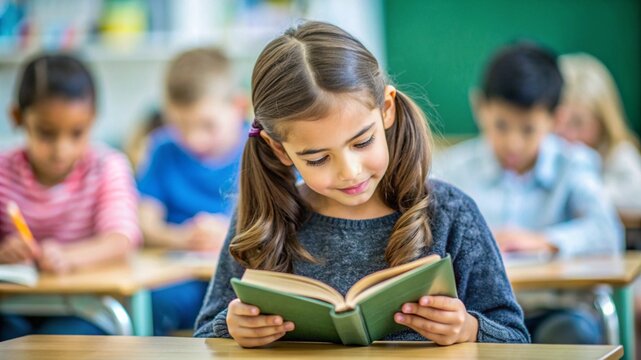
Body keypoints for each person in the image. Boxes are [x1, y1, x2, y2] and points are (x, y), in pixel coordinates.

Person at [194, 21, 529, 347]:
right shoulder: (261, 220)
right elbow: (204, 337)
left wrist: (468, 329)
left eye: (362, 142)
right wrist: (233, 327)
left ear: (386, 109)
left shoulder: (451, 213)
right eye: (318, 159)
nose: (349, 172)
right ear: (279, 149)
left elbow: (516, 338)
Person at [434, 43, 622, 344]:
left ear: (554, 119)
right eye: (501, 125)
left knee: (572, 336)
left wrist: (545, 241)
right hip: (479, 319)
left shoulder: (574, 164)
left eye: (528, 129)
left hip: (555, 310)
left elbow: (607, 233)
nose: (513, 143)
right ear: (479, 106)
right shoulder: (449, 171)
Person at [0, 53, 140, 340]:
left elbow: (121, 239)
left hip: (85, 308)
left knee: (56, 345)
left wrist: (69, 257)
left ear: (93, 119)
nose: (61, 149)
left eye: (76, 133)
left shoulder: (107, 167)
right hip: (12, 306)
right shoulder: (3, 171)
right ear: (17, 118)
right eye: (46, 134)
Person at [136, 48, 247, 336]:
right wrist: (184, 237)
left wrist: (230, 232)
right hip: (177, 278)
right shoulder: (162, 149)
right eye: (181, 126)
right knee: (153, 306)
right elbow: (144, 225)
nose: (194, 140)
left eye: (207, 125)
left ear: (238, 106)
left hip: (240, 278)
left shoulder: (261, 148)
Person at [555, 53, 641, 214]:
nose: (567, 133)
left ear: (602, 121)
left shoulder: (619, 153)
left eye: (578, 123)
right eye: (558, 121)